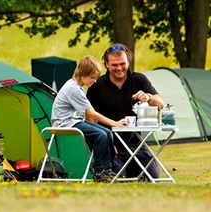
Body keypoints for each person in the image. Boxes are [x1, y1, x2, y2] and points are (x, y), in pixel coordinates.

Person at [86, 43, 164, 180]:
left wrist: (148, 97)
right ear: (106, 65)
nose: (119, 68)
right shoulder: (96, 86)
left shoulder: (139, 79)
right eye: (114, 65)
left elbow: (160, 103)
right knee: (118, 179)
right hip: (112, 147)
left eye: (122, 63)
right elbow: (89, 119)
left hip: (137, 144)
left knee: (154, 178)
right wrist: (102, 147)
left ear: (128, 62)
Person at [51, 56, 126, 182]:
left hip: (73, 121)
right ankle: (100, 171)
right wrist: (115, 123)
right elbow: (92, 113)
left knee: (107, 133)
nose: (95, 81)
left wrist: (107, 131)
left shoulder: (75, 86)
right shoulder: (73, 89)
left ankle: (109, 169)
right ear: (82, 74)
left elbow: (89, 115)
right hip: (64, 123)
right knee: (100, 135)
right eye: (92, 77)